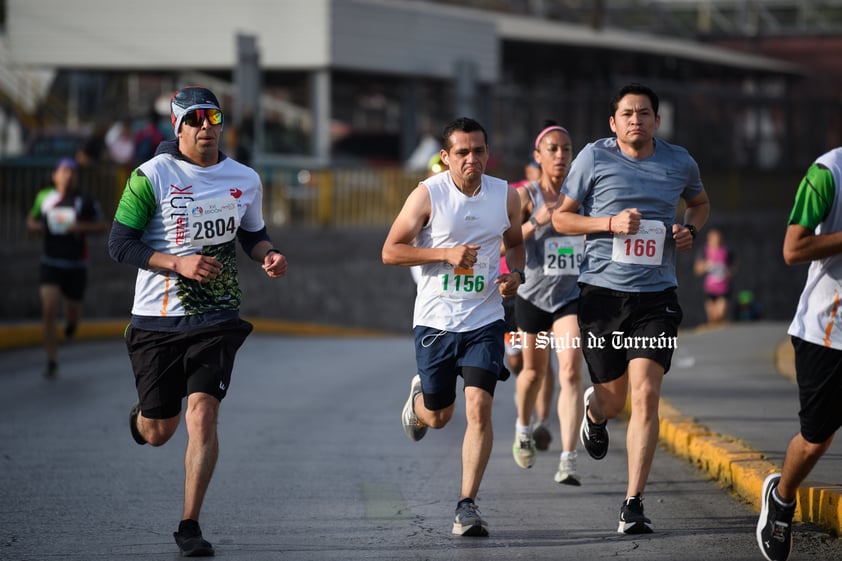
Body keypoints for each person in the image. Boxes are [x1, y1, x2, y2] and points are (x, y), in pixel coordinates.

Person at [108, 86, 288, 557]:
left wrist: (268, 255)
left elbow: (253, 233)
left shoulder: (244, 178)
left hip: (216, 314)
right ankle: (144, 416)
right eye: (195, 119)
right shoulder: (150, 176)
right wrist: (177, 263)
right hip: (157, 319)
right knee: (159, 431)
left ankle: (189, 524)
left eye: (214, 118)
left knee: (203, 414)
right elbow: (120, 244)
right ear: (177, 126)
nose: (206, 127)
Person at [552, 82, 710, 534]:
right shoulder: (593, 158)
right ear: (613, 122)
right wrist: (608, 223)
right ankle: (595, 411)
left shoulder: (680, 161)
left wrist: (689, 231)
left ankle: (633, 503)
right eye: (627, 114)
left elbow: (699, 204)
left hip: (657, 296)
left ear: (657, 121)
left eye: (644, 113)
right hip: (602, 295)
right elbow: (563, 217)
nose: (635, 120)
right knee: (614, 400)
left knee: (646, 394)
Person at [382, 116, 525, 537]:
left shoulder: (506, 196)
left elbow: (515, 245)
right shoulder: (428, 194)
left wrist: (516, 275)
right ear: (446, 158)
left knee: (479, 406)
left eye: (478, 151)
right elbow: (390, 251)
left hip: (485, 317)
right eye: (461, 152)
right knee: (441, 416)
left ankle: (467, 505)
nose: (471, 159)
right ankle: (420, 403)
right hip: (436, 321)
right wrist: (444, 254)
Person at [756, 146, 842, 561]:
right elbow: (793, 249)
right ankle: (783, 498)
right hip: (827, 332)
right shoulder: (828, 173)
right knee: (815, 441)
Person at [510, 120, 584, 487]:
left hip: (569, 299)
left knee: (570, 370)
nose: (560, 155)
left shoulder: (581, 195)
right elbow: (505, 240)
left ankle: (568, 459)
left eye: (566, 149)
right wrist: (533, 223)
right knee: (534, 373)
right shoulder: (526, 196)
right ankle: (523, 428)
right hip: (532, 298)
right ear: (538, 156)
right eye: (552, 149)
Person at [26, 156, 109, 378]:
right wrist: (38, 227)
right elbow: (31, 220)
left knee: (73, 312)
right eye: (63, 171)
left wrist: (77, 227)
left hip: (75, 264)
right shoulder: (45, 198)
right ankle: (51, 360)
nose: (68, 175)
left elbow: (102, 225)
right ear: (54, 175)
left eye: (72, 171)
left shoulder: (84, 199)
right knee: (49, 309)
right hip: (50, 263)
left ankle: (72, 323)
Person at [693, 227, 734, 325]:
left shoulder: (726, 251)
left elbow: (733, 265)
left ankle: (721, 335)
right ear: (709, 239)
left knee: (720, 314)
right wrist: (706, 265)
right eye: (713, 238)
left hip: (723, 288)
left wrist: (729, 272)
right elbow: (697, 269)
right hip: (709, 288)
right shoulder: (704, 251)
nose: (716, 240)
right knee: (712, 317)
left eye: (718, 238)